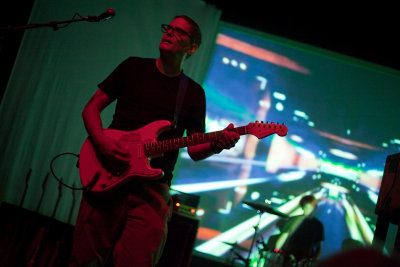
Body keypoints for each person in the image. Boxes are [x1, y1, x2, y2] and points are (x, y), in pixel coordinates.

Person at [69, 15, 240, 267]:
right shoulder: (132, 67)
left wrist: (218, 143)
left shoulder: (192, 93)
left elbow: (194, 149)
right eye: (168, 28)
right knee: (83, 260)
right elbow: (91, 108)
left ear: (192, 48)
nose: (169, 33)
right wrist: (101, 143)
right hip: (109, 172)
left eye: (178, 32)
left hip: (151, 190)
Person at [275, 195, 324, 266]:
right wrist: (276, 251)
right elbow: (283, 236)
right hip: (288, 258)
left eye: (310, 207)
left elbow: (319, 247)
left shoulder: (318, 225)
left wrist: (313, 260)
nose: (307, 210)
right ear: (302, 207)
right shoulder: (293, 220)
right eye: (305, 207)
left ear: (314, 208)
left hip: (305, 261)